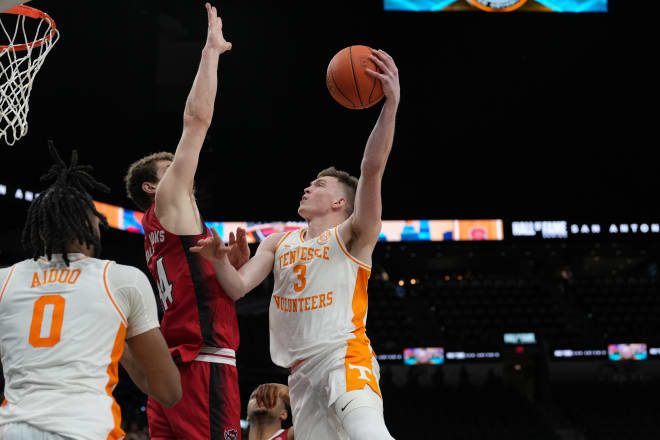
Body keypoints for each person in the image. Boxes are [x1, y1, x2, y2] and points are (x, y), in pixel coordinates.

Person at [190, 49, 400, 440]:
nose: (307, 187)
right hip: (300, 372)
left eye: (319, 185)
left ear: (340, 202)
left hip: (344, 357)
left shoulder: (354, 235)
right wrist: (220, 260)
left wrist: (390, 105)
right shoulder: (276, 242)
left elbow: (372, 168)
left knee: (370, 434)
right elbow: (235, 288)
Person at [123, 3, 249, 439]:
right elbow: (196, 121)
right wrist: (210, 53)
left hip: (170, 374)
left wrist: (224, 266)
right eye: (170, 169)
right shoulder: (170, 203)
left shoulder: (156, 231)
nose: (181, 172)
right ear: (151, 189)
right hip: (202, 365)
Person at [0, 142, 181, 440]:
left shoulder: (6, 280)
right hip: (88, 429)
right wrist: (119, 338)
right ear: (92, 226)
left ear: (40, 229)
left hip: (13, 430)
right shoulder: (121, 280)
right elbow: (168, 390)